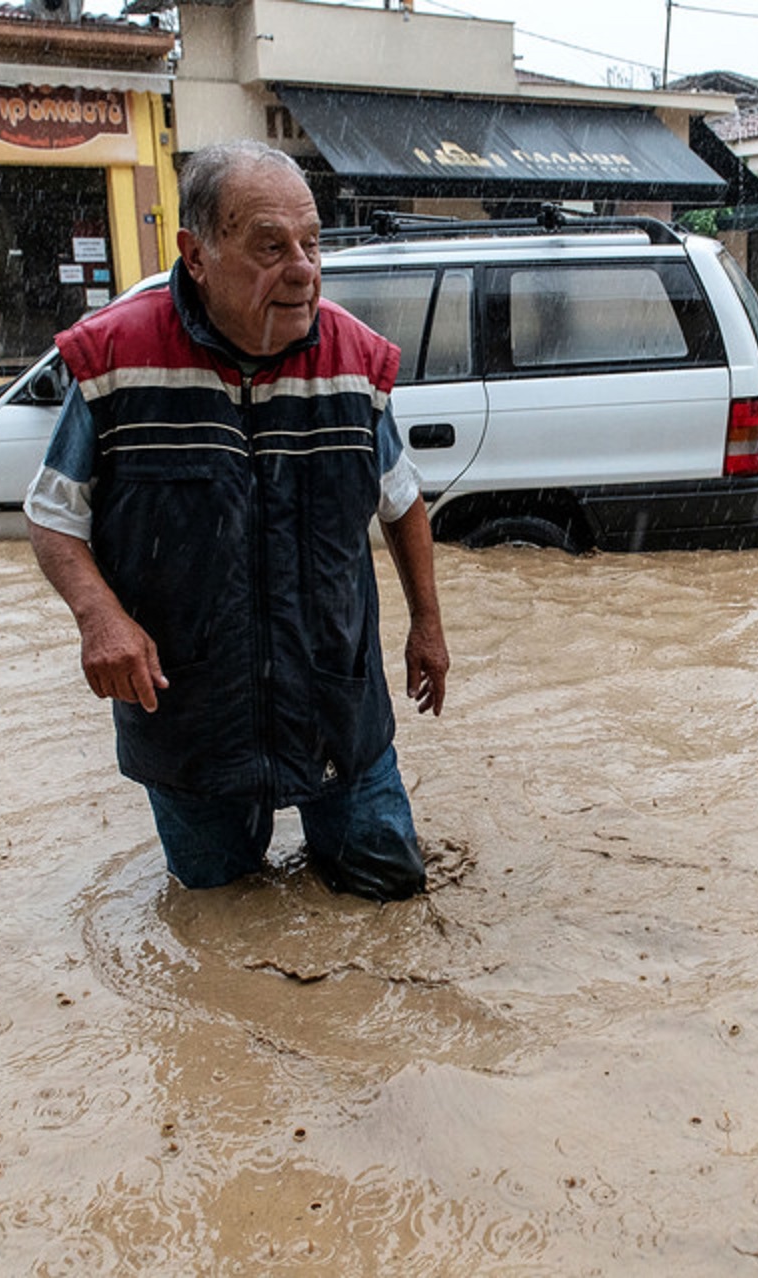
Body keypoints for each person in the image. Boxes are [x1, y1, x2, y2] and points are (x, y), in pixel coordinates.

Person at [24, 140, 448, 903]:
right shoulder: (118, 361)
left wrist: (428, 625)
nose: (302, 268)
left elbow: (402, 500)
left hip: (334, 706)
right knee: (219, 914)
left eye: (312, 244)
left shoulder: (353, 363)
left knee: (391, 895)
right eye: (270, 246)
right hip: (190, 712)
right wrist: (99, 618)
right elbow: (53, 515)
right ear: (197, 254)